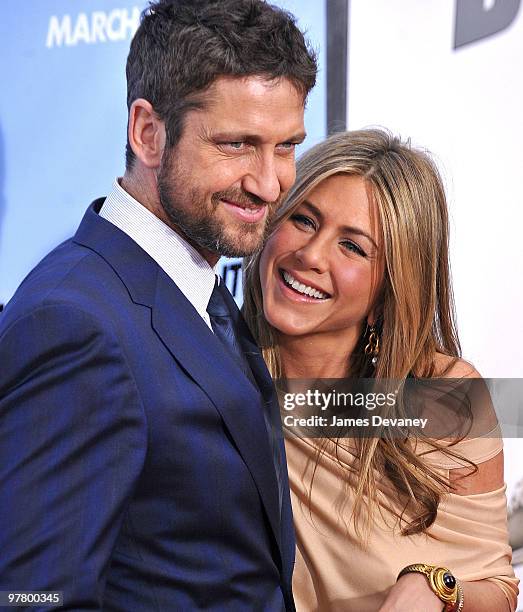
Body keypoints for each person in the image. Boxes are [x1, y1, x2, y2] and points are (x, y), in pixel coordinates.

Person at [0, 1, 317, 610]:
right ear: (148, 132)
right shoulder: (74, 324)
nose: (270, 182)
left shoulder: (193, 276)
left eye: (285, 147)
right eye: (237, 144)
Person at [243, 129, 519, 611]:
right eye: (304, 220)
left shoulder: (444, 398)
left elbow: (496, 587)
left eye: (352, 247)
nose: (311, 255)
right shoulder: (208, 370)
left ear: (387, 294)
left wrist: (435, 586)